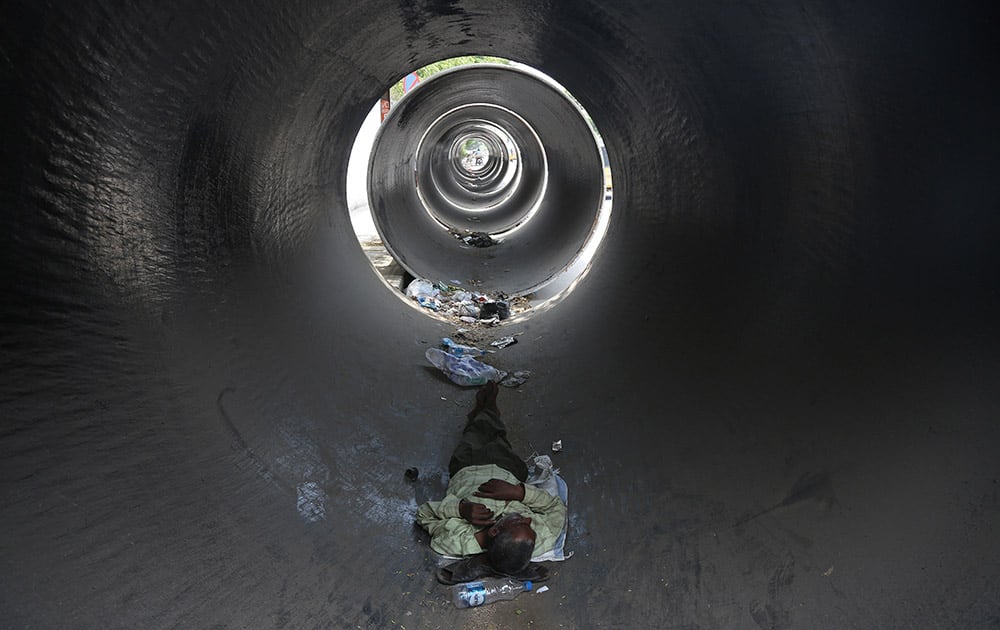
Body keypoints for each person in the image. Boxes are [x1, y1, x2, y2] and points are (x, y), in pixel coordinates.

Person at [416, 381, 567, 579]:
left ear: (495, 531)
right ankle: (488, 409)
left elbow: (424, 514)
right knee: (499, 438)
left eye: (519, 522)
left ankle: (484, 408)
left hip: (468, 466)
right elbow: (557, 508)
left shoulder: (456, 539)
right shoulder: (533, 543)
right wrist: (519, 493)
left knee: (474, 434)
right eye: (529, 524)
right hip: (508, 467)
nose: (529, 519)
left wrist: (461, 508)